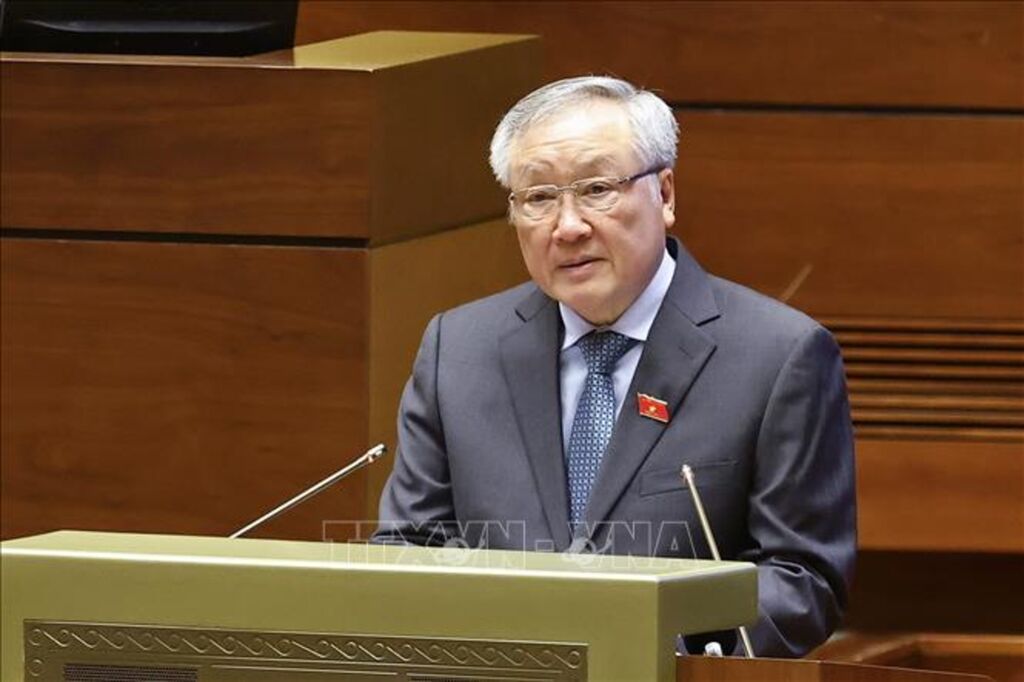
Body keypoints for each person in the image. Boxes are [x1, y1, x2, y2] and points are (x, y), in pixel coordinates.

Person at [373, 76, 856, 657]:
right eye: (539, 198)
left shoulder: (779, 355)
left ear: (665, 195)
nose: (568, 226)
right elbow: (410, 546)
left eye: (597, 189)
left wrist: (646, 645)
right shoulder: (458, 348)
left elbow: (802, 576)